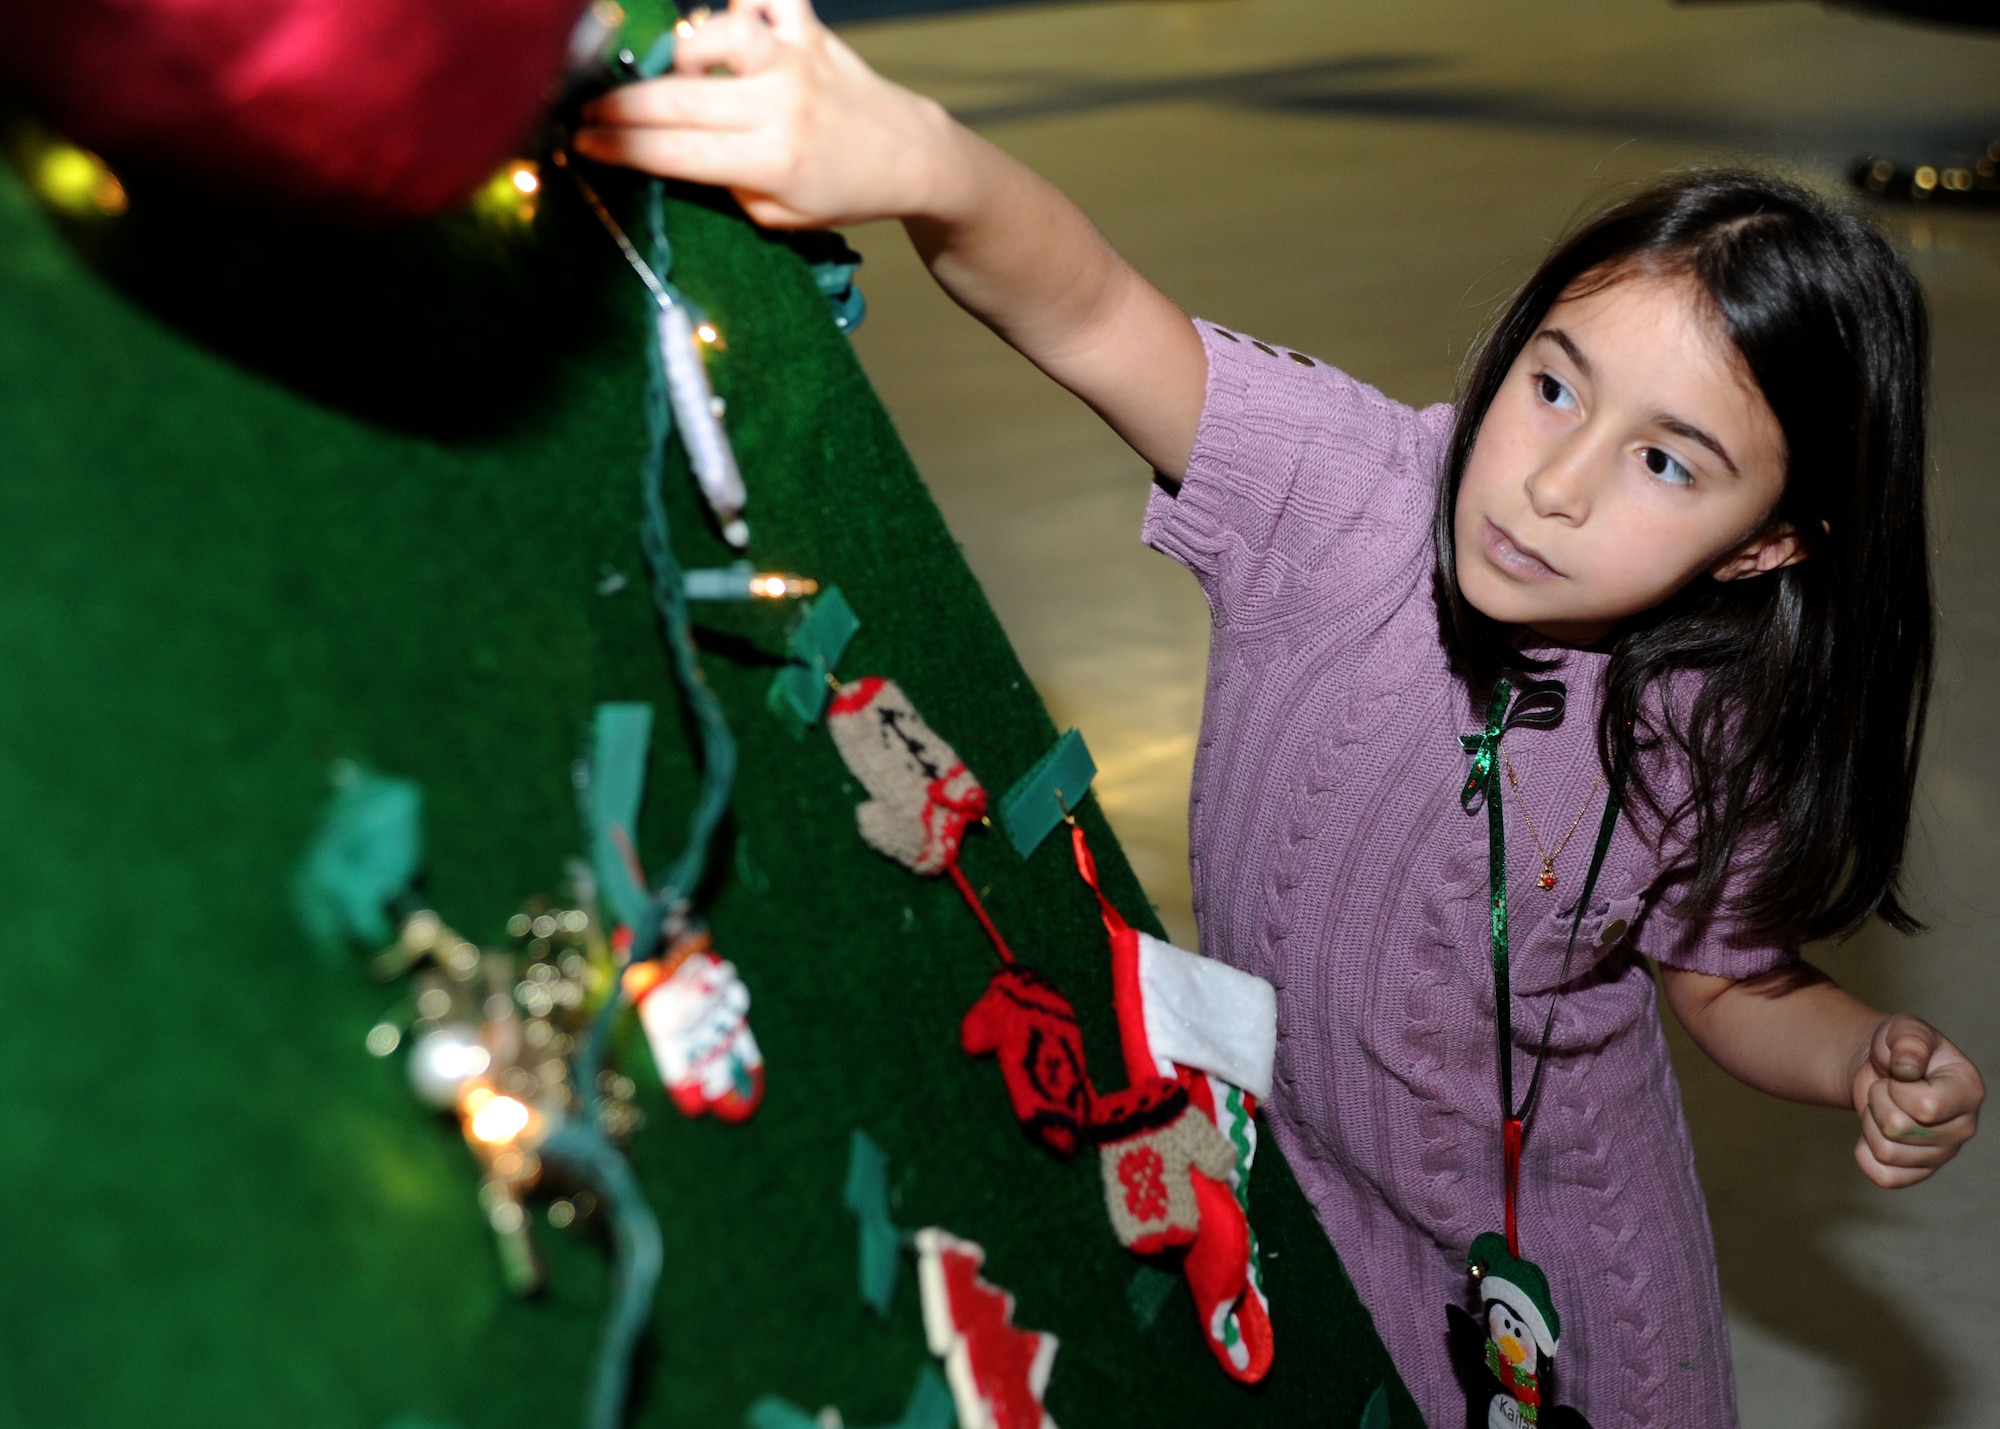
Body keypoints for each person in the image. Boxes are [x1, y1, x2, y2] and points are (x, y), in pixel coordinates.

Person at [573, 4, 1987, 1423]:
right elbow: (1090, 306)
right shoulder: (1342, 498)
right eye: (1555, 383)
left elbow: (1725, 980)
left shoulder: (1701, 724)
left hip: (1571, 1269)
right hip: (1305, 1202)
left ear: (1767, 545)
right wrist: (930, 162)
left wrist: (1859, 1053)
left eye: (1667, 464)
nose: (1556, 480)